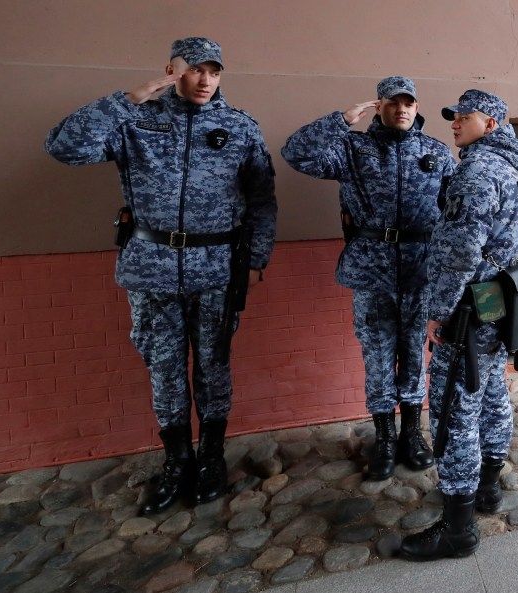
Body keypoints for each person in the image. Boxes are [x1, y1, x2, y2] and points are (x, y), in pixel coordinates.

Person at [45, 37, 277, 515]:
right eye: (194, 69)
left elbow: (261, 200)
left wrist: (256, 259)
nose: (205, 79)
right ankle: (177, 460)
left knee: (213, 366)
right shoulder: (134, 121)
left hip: (217, 269)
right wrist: (127, 98)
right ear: (170, 70)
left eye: (214, 70)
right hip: (151, 267)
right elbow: (63, 147)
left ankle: (211, 457)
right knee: (165, 368)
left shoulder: (240, 127)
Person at [281, 76, 456, 480]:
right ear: (380, 106)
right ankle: (386, 438)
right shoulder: (353, 148)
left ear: (416, 106)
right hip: (371, 267)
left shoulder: (435, 151)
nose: (402, 109)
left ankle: (412, 433)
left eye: (408, 102)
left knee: (414, 352)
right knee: (377, 356)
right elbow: (295, 153)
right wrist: (341, 120)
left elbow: (452, 209)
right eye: (393, 102)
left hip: (419, 268)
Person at [400, 89, 518, 561]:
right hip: (495, 305)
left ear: (491, 123)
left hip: (467, 309)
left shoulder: (477, 172)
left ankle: (458, 528)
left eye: (464, 116)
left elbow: (459, 252)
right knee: (491, 391)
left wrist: (439, 310)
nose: (455, 122)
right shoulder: (514, 170)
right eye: (453, 116)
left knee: (454, 410)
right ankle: (488, 488)